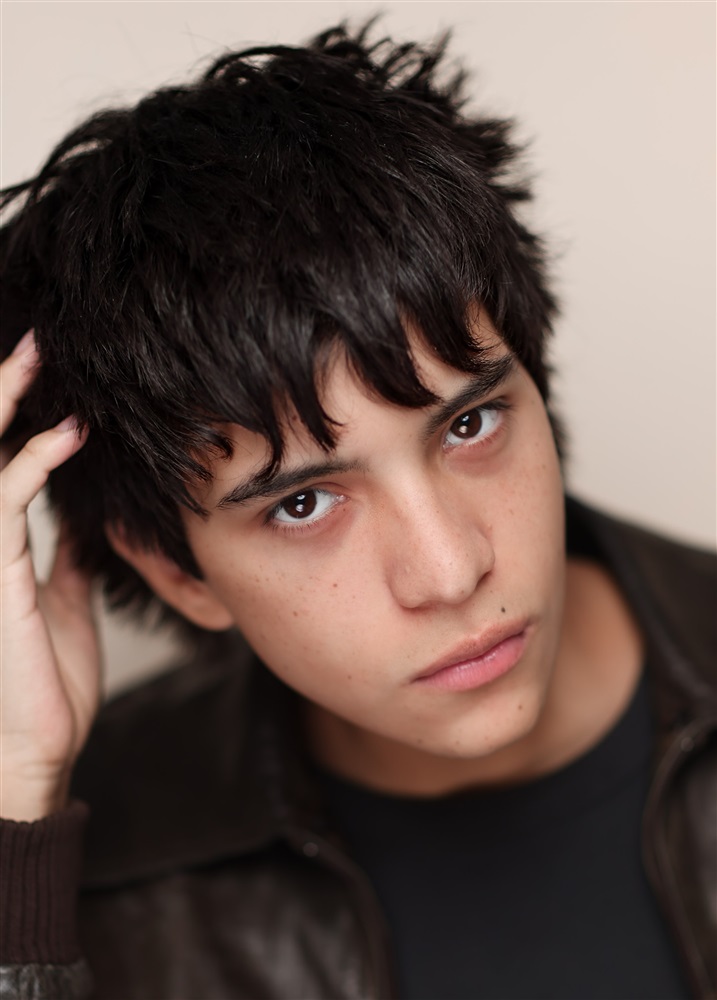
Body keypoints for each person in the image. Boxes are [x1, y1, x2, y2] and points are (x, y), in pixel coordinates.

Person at [0, 22, 714, 1000]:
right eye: (302, 502)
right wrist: (18, 822)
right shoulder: (99, 859)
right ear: (177, 572)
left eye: (469, 424)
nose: (450, 571)